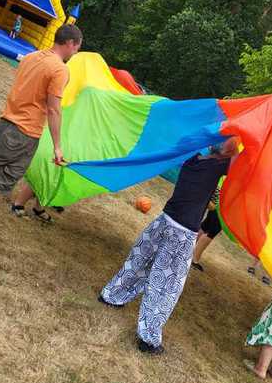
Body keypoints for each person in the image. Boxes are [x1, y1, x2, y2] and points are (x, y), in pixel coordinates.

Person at [98, 138, 240, 355]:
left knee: (138, 262)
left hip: (163, 222)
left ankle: (111, 295)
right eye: (232, 140)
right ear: (225, 149)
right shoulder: (217, 166)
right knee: (166, 285)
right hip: (181, 235)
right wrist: (244, 137)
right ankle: (148, 339)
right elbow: (240, 163)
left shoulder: (194, 158)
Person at [0, 24, 83, 247]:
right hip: (23, 133)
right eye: (77, 47)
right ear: (70, 43)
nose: (76, 52)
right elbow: (54, 109)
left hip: (5, 123)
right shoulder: (60, 70)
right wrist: (57, 146)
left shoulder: (31, 56)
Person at [190, 188, 222, 272]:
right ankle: (194, 259)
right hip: (223, 204)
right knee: (212, 231)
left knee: (205, 226)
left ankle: (189, 249)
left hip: (218, 200)